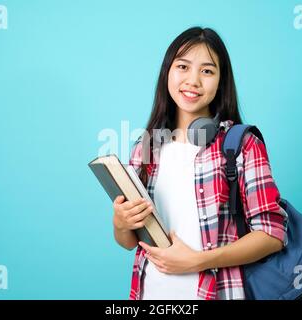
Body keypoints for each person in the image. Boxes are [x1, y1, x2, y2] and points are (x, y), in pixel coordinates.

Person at [112, 26, 288, 300]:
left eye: (207, 71)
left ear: (220, 81)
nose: (193, 80)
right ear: (167, 72)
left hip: (216, 293)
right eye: (183, 66)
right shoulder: (146, 148)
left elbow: (272, 235)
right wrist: (121, 223)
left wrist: (198, 260)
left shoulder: (241, 144)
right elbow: (129, 243)